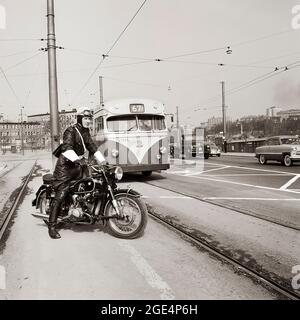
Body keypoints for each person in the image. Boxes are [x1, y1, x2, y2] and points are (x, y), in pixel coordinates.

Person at [48, 107, 106, 239]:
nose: (88, 121)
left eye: (89, 119)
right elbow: (67, 148)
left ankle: (80, 214)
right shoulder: (71, 130)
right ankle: (52, 226)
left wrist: (103, 162)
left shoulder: (85, 132)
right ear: (80, 118)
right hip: (65, 168)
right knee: (61, 194)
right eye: (85, 118)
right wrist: (78, 160)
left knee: (86, 190)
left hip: (78, 166)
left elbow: (92, 147)